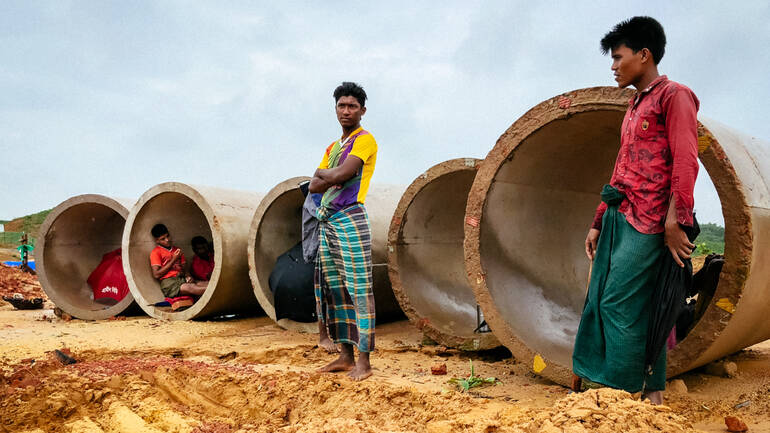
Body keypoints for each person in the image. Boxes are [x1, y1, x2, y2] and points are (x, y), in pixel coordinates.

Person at [571, 16, 699, 405]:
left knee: (617, 302)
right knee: (622, 302)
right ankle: (654, 394)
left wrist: (677, 221)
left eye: (618, 57)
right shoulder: (635, 104)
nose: (613, 66)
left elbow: (686, 161)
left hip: (650, 222)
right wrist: (598, 220)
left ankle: (623, 396)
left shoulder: (674, 96)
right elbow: (621, 168)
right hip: (619, 216)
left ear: (644, 56)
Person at [310, 82, 378, 381]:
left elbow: (340, 174)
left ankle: (364, 361)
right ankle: (345, 356)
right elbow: (313, 186)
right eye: (342, 105)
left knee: (359, 289)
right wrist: (329, 177)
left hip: (350, 218)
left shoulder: (365, 141)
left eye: (352, 106)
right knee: (335, 289)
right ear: (335, 108)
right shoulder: (333, 147)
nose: (346, 110)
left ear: (362, 110)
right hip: (330, 220)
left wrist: (329, 175)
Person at [149, 224, 207, 298]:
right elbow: (156, 274)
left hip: (181, 279)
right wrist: (174, 259)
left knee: (205, 284)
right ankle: (214, 291)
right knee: (191, 287)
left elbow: (185, 269)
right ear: (157, 241)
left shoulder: (177, 250)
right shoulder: (156, 252)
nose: (167, 240)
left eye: (167, 236)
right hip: (169, 283)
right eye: (163, 239)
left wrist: (188, 276)